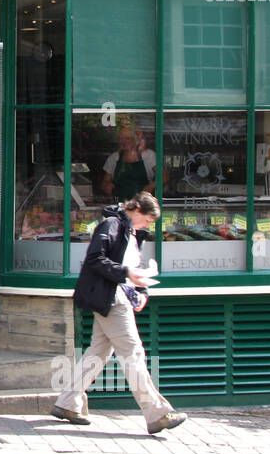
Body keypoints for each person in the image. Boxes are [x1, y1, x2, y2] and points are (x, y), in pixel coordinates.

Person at [51, 191, 187, 435]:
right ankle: (157, 413)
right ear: (136, 210)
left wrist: (142, 291)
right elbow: (95, 259)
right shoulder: (112, 224)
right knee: (133, 353)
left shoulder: (133, 232)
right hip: (111, 299)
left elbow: (132, 268)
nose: (148, 225)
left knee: (98, 352)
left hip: (117, 296)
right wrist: (125, 274)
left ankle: (68, 403)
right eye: (147, 219)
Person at [99, 124, 156, 202]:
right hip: (120, 204)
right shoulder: (114, 158)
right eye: (121, 139)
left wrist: (151, 186)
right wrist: (107, 186)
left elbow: (164, 177)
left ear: (135, 140)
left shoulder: (148, 155)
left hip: (142, 205)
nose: (124, 142)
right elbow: (104, 182)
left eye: (128, 138)